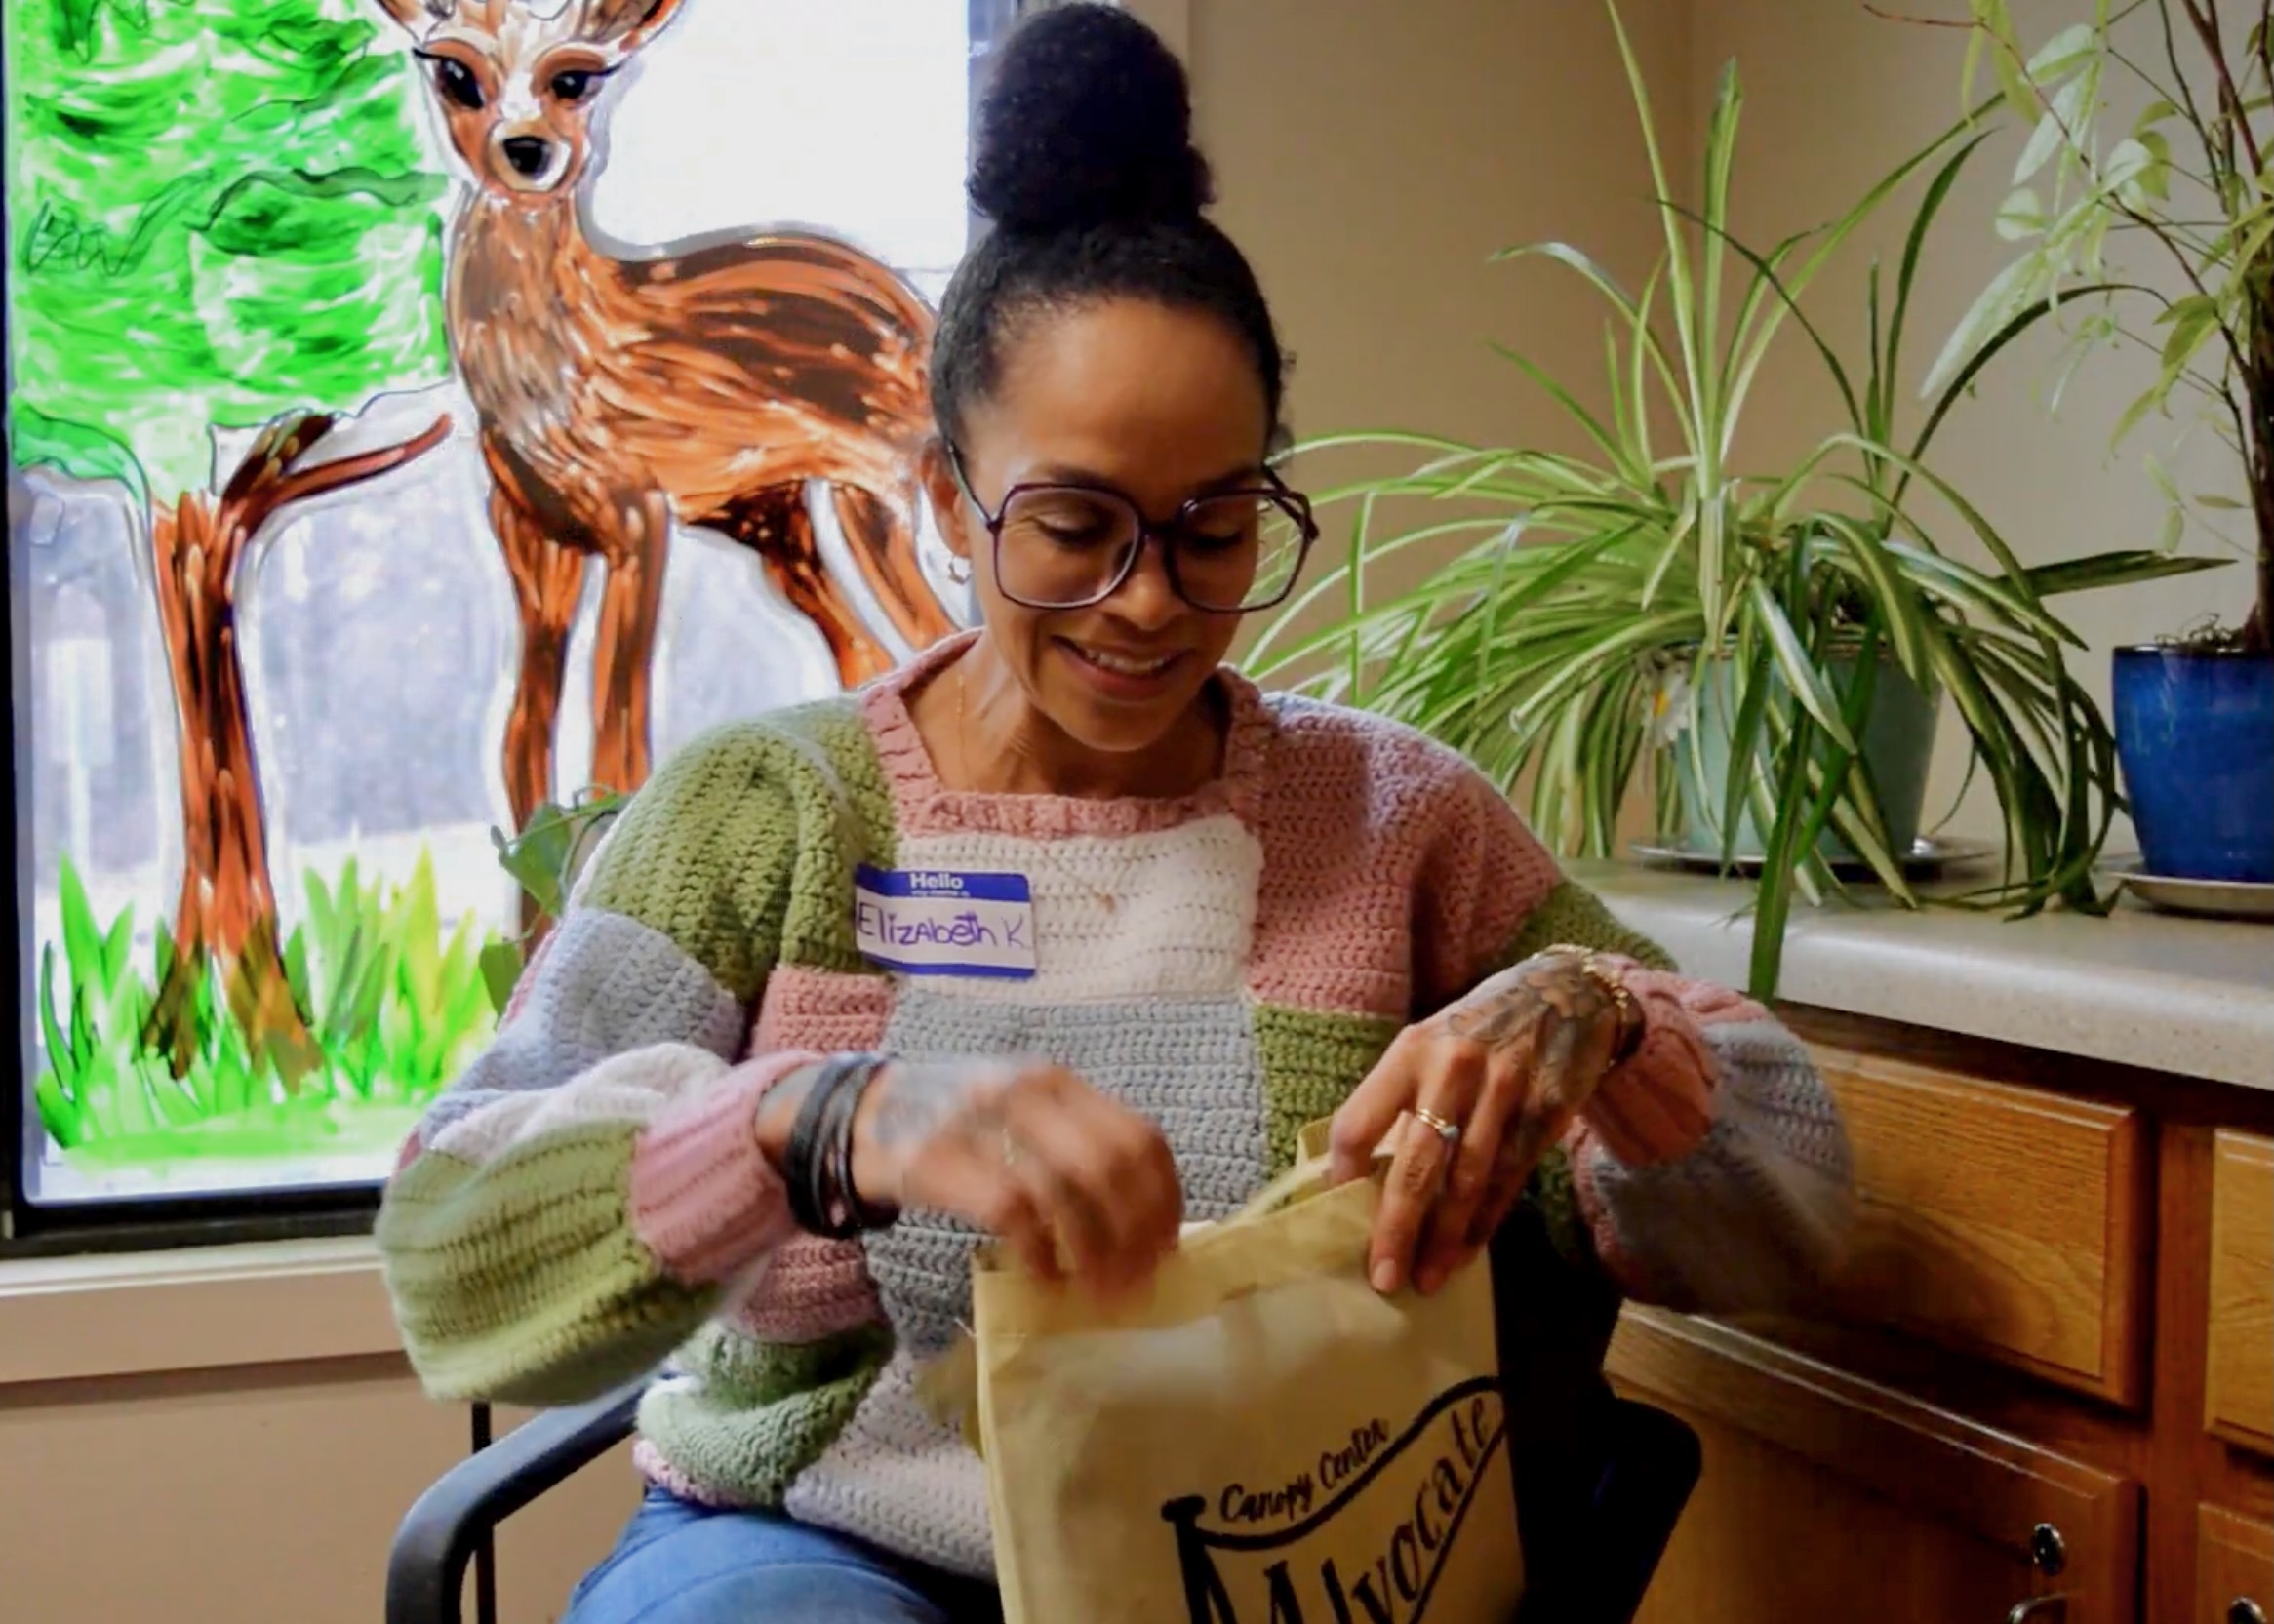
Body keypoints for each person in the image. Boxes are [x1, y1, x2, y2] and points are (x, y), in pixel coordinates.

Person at [376, 8, 1855, 1621]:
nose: (1147, 604)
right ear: (945, 495)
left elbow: (1793, 1219)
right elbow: (458, 1257)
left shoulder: (1396, 822)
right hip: (838, 1554)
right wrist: (815, 1122)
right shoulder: (770, 814)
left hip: (1282, 1555)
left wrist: (1601, 1026)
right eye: (1074, 524)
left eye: (1215, 528)